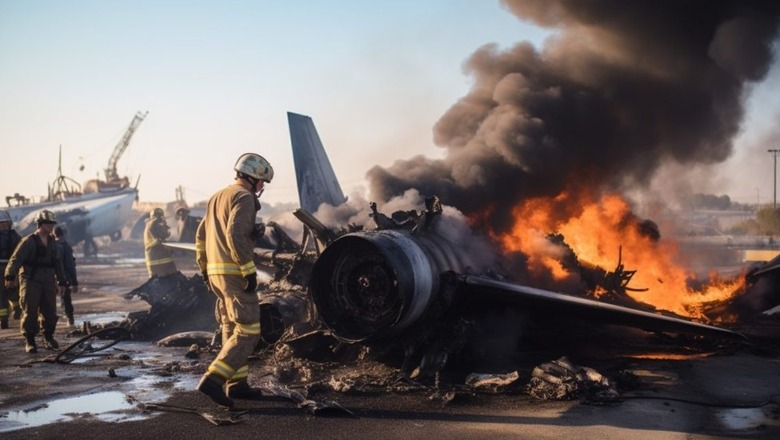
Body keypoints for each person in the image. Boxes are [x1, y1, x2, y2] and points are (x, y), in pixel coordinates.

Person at [195, 152, 273, 407]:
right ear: (252, 179)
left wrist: (206, 269)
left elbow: (201, 236)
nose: (262, 187)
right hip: (233, 273)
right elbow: (235, 235)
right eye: (262, 182)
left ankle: (236, 384)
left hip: (217, 273)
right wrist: (248, 270)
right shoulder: (244, 196)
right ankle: (213, 379)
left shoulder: (218, 196)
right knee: (249, 329)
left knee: (231, 327)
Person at [3, 210, 67, 353]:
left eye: (52, 224)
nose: (51, 226)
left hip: (48, 282)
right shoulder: (28, 241)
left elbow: (57, 263)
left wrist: (62, 282)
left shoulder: (52, 242)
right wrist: (9, 276)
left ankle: (48, 337)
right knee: (30, 311)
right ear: (40, 224)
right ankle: (30, 341)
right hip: (30, 281)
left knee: (50, 311)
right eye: (48, 223)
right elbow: (15, 259)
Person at [0, 209, 22, 329]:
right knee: (13, 291)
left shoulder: (15, 236)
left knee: (1, 294)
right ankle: (17, 309)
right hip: (12, 267)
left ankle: (4, 320)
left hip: (6, 268)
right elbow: (22, 252)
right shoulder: (16, 236)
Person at [53, 226, 79, 326]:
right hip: (65, 277)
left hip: (52, 277)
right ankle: (69, 318)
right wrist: (74, 281)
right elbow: (70, 265)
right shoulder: (66, 246)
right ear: (64, 234)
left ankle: (50, 320)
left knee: (49, 299)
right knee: (66, 298)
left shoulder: (52, 245)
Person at [144, 208, 177, 278]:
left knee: (156, 283)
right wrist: (165, 227)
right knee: (171, 280)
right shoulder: (155, 222)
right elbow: (164, 234)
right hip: (161, 260)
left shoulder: (148, 224)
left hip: (152, 259)